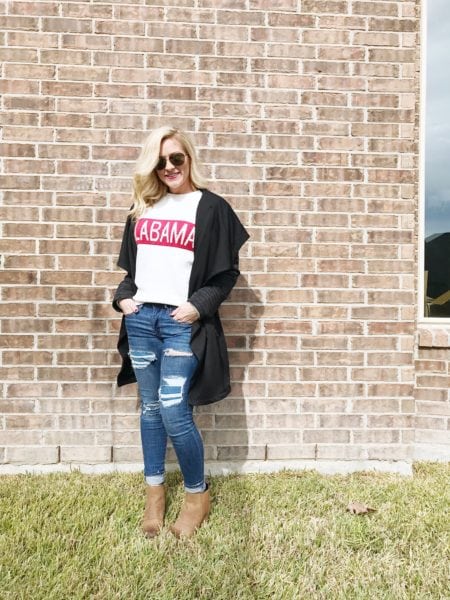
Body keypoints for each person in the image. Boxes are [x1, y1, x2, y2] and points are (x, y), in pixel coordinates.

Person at [112, 127, 249, 538]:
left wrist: (197, 306)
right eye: (160, 161)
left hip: (179, 324)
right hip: (141, 320)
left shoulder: (211, 208)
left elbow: (226, 274)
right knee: (151, 409)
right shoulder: (142, 208)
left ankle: (196, 495)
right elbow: (134, 273)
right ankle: (154, 495)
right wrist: (123, 299)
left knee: (174, 409)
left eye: (176, 158)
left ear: (189, 158)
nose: (169, 167)